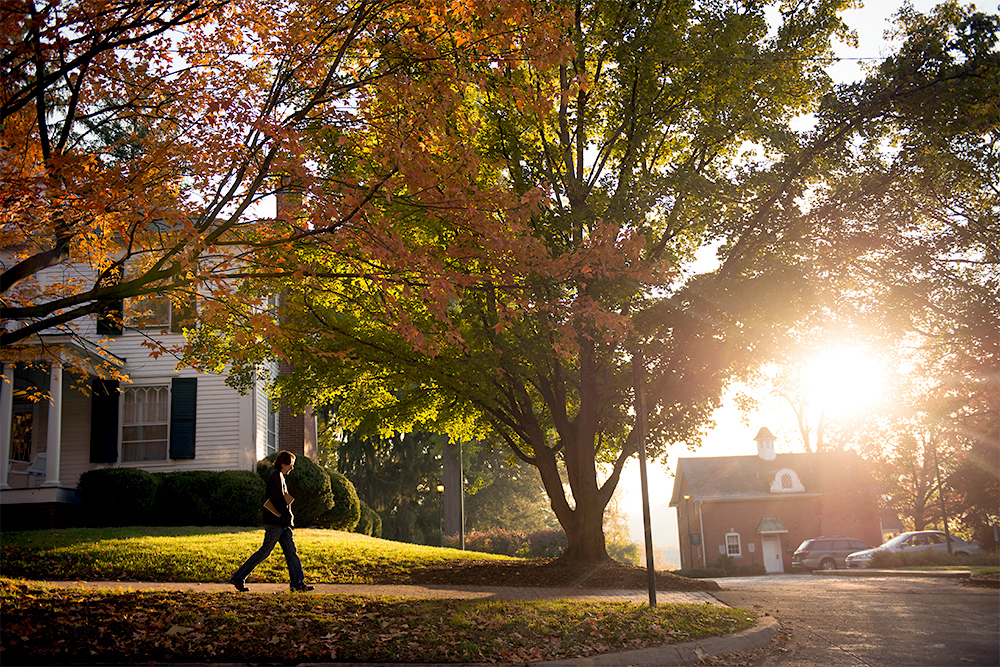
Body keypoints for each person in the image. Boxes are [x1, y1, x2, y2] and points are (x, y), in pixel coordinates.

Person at [230, 450, 314, 592]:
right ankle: (238, 577)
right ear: (283, 463)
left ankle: (298, 583)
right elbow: (278, 500)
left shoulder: (278, 475)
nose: (292, 468)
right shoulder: (275, 476)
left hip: (281, 523)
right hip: (276, 523)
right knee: (264, 552)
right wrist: (287, 514)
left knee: (291, 552)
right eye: (290, 465)